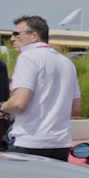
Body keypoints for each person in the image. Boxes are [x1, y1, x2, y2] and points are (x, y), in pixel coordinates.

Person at [0, 15, 80, 161]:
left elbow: (19, 103)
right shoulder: (67, 62)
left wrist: (4, 107)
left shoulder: (28, 57)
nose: (12, 38)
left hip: (30, 141)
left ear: (33, 36)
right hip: (60, 143)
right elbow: (75, 108)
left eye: (16, 34)